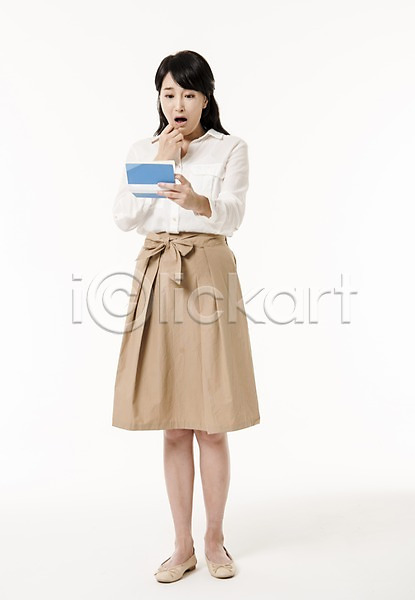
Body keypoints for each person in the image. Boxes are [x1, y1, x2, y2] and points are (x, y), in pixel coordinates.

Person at [111, 50, 260, 583]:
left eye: (189, 94)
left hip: (209, 274)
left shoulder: (230, 148)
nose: (178, 103)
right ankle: (182, 546)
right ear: (159, 97)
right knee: (174, 425)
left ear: (206, 98)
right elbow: (125, 217)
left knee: (211, 424)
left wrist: (197, 200)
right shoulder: (144, 150)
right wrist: (159, 160)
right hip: (158, 272)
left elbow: (233, 215)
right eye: (169, 93)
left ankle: (214, 540)